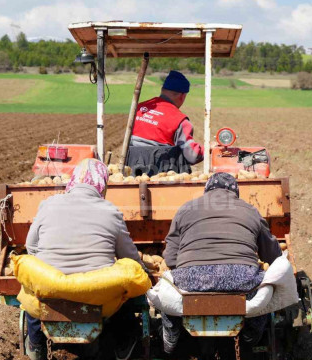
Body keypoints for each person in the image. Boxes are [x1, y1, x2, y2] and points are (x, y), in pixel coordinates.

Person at [25, 158, 146, 360]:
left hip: (51, 289)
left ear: (72, 181)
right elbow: (129, 257)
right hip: (97, 294)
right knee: (125, 288)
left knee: (32, 295)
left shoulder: (48, 205)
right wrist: (143, 271)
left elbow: (31, 246)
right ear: (102, 184)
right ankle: (123, 346)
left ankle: (36, 344)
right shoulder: (111, 211)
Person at [161, 173, 282, 355]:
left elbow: (170, 258)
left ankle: (172, 334)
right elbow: (272, 254)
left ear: (207, 190)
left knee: (165, 286)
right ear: (235, 192)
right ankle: (251, 333)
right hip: (241, 280)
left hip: (192, 279)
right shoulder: (250, 210)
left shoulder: (186, 208)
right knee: (266, 286)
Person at [127, 70, 204, 176]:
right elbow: (192, 156)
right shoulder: (180, 120)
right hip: (161, 175)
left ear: (162, 90)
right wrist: (207, 149)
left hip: (132, 172)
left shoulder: (137, 108)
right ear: (182, 96)